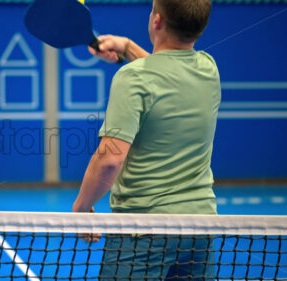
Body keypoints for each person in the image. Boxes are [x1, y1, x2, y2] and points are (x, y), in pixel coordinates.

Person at [72, 0, 219, 280]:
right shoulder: (209, 69)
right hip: (201, 228)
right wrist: (125, 46)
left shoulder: (132, 78)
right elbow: (165, 74)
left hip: (144, 231)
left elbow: (109, 160)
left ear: (157, 20)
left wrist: (81, 207)